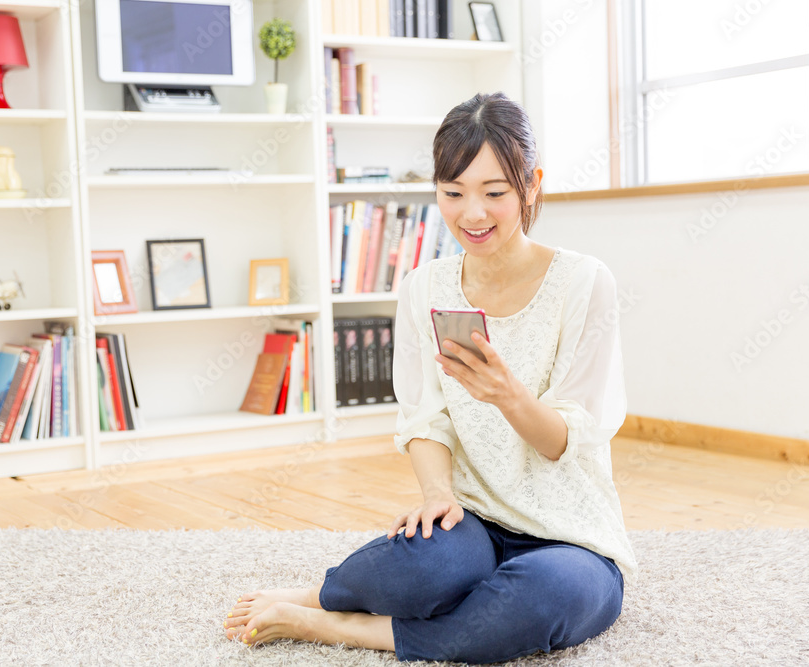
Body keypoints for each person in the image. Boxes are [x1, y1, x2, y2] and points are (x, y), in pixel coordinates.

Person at [222, 92, 638, 663]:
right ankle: (323, 593)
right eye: (453, 193)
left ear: (532, 185)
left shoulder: (585, 283)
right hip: (472, 520)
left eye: (495, 193)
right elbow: (424, 416)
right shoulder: (426, 285)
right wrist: (438, 495)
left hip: (571, 538)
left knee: (544, 599)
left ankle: (331, 625)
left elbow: (567, 439)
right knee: (415, 573)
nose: (473, 214)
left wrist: (509, 396)